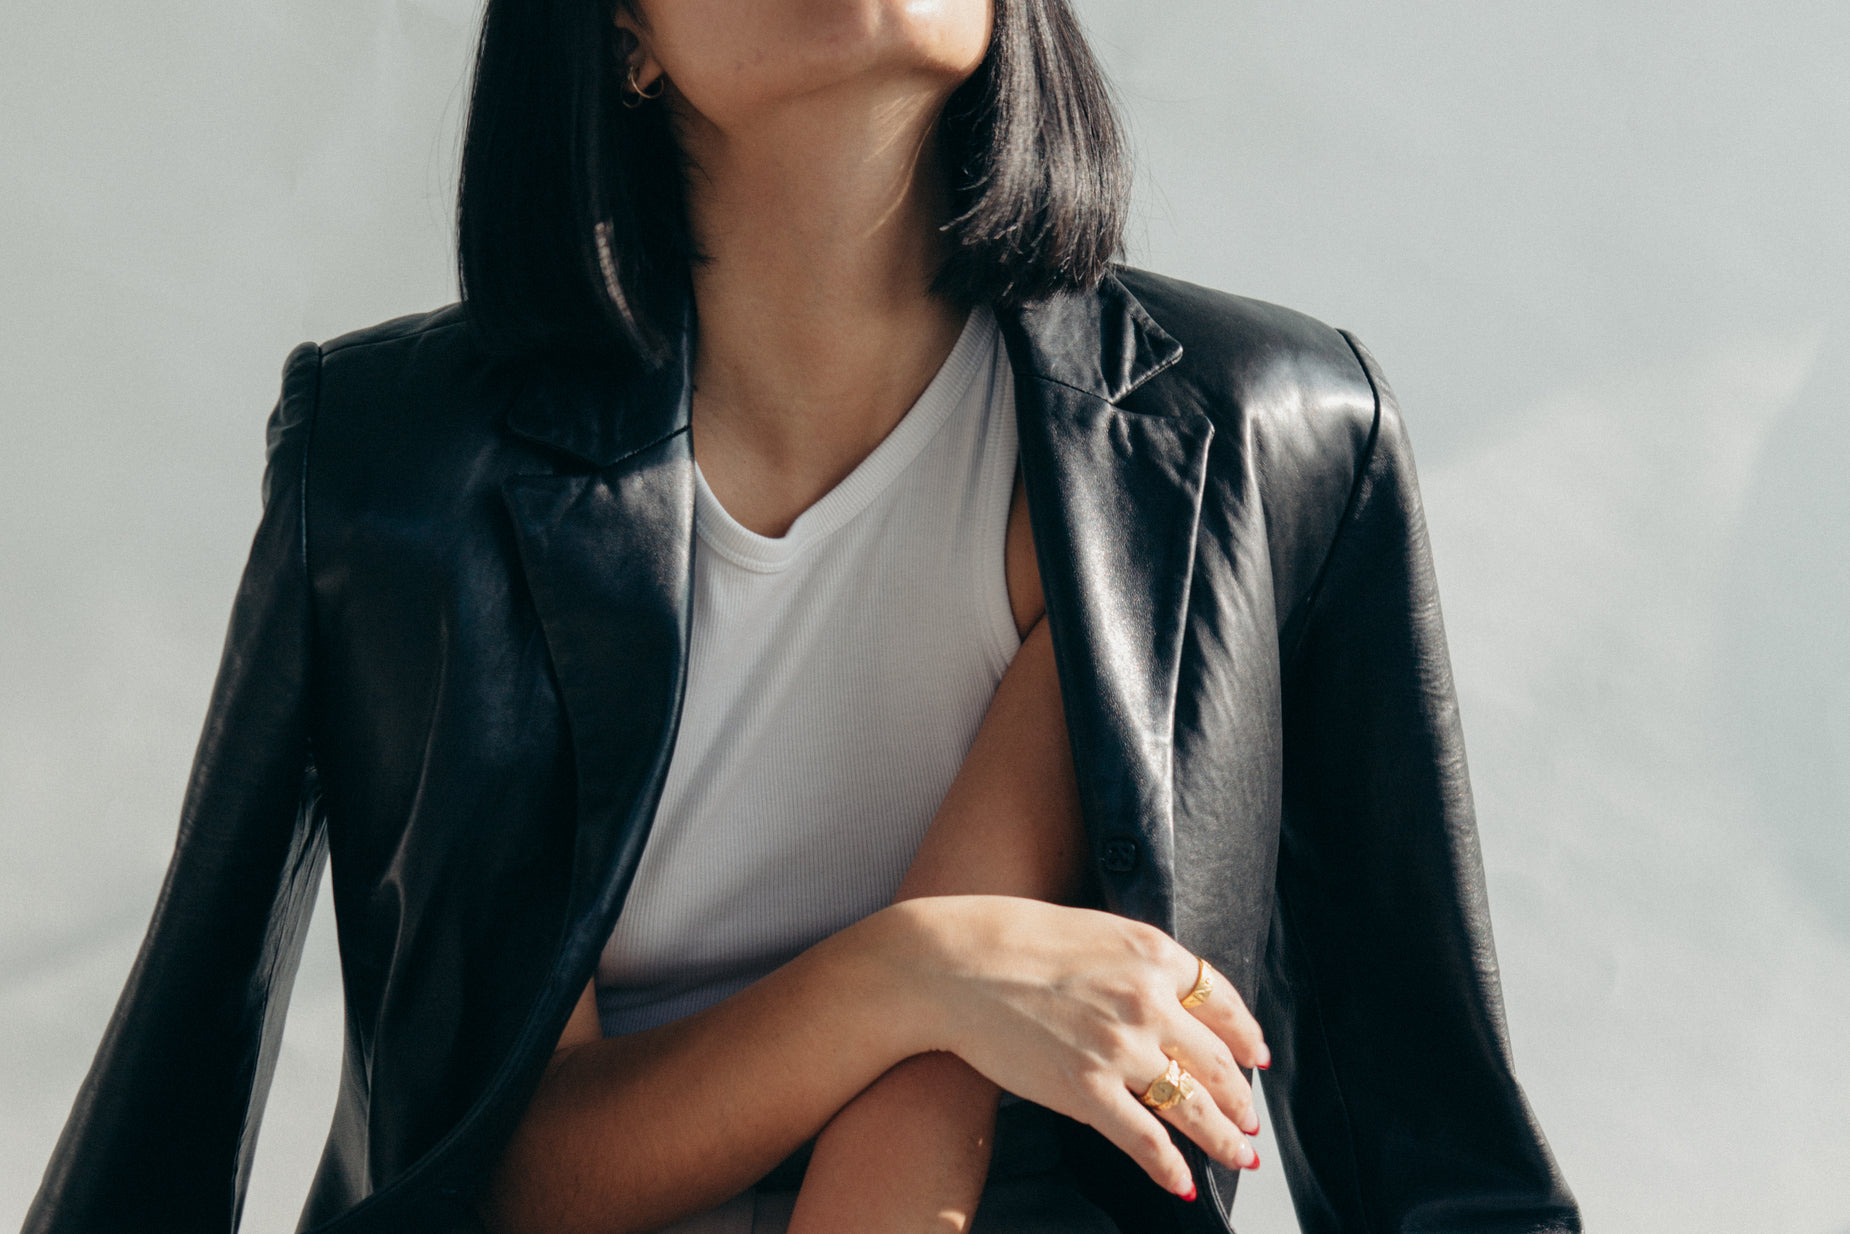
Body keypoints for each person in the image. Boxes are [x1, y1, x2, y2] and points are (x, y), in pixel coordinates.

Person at [24, 1, 1581, 1232]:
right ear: (618, 32)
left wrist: (940, 991)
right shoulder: (399, 465)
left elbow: (1431, 1142)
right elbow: (469, 1159)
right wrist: (909, 971)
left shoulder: (1245, 437)